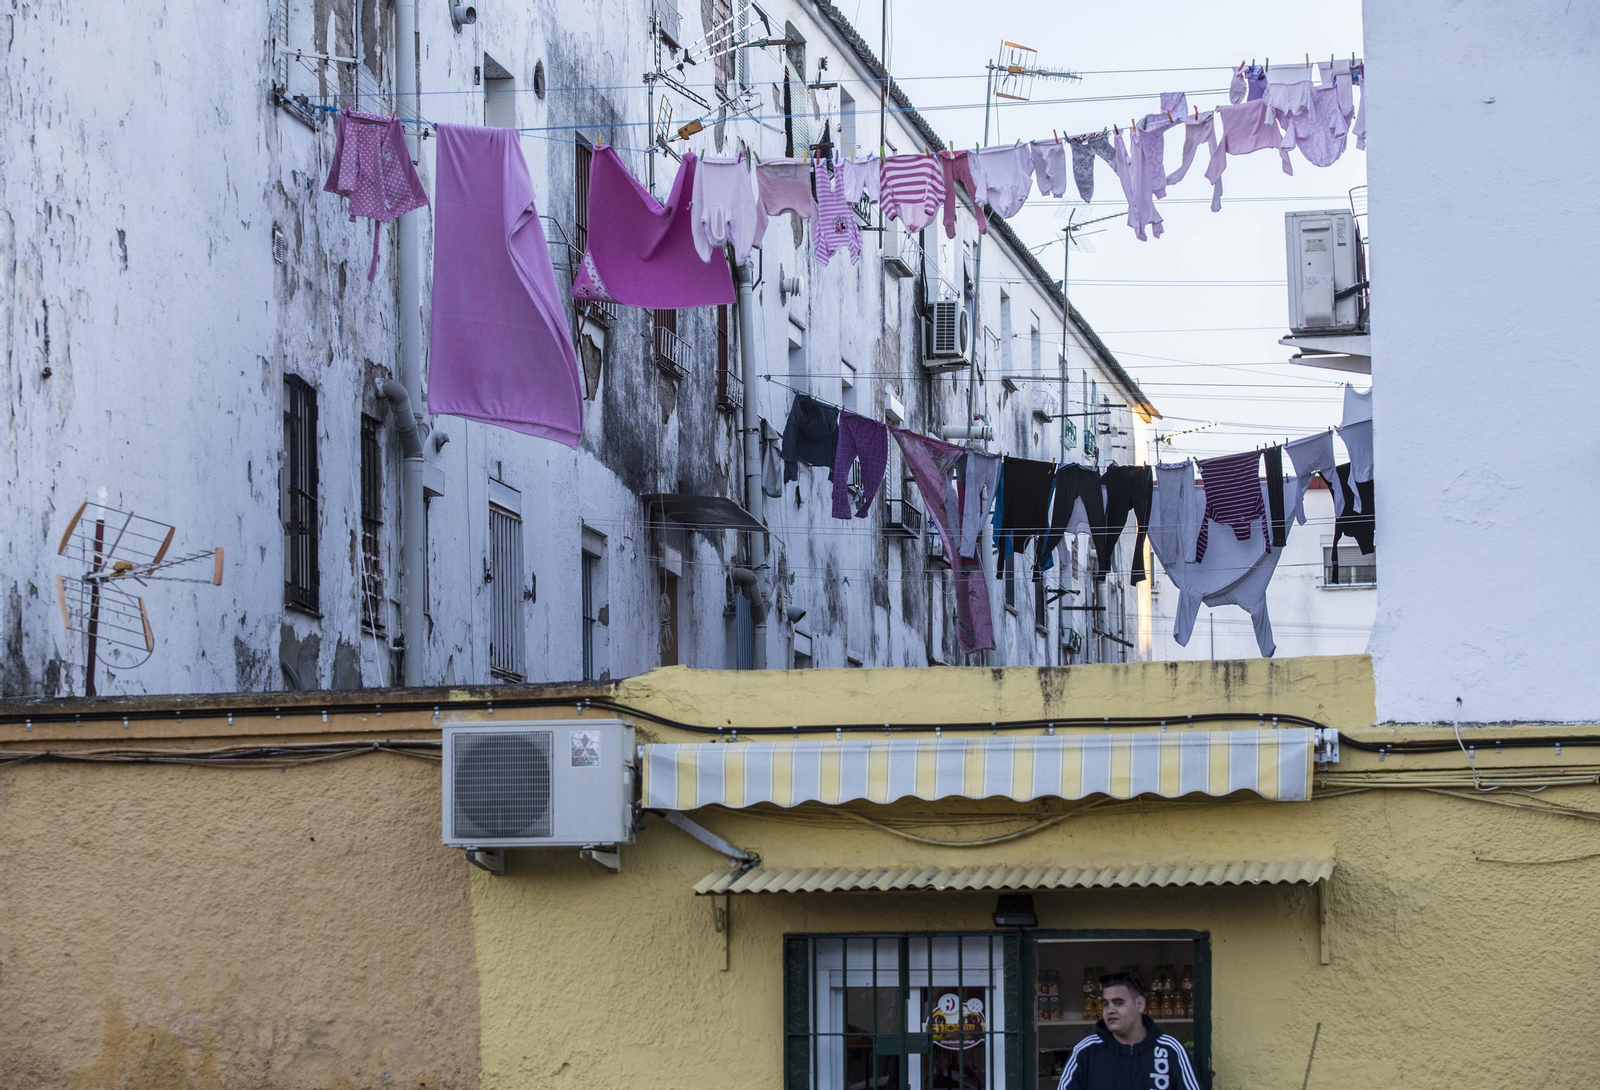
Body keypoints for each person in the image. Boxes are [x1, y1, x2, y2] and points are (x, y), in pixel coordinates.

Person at [1057, 973, 1200, 1090]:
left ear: (1139, 1004)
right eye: (1105, 1004)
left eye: (1118, 1002)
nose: (1110, 1010)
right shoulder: (1085, 1051)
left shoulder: (1171, 1050)